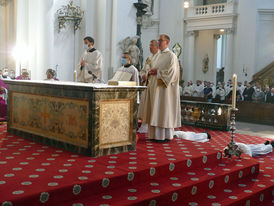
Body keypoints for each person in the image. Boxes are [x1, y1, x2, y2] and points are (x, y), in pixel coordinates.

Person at [142, 34, 181, 143]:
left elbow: (172, 73)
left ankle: (165, 136)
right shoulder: (155, 56)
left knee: (163, 111)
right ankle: (153, 135)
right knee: (154, 110)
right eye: (158, 40)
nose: (158, 42)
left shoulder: (171, 56)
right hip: (154, 88)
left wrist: (157, 72)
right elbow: (148, 69)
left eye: (161, 40)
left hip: (164, 90)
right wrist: (147, 74)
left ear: (167, 42)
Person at [138, 40, 160, 121]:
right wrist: (143, 75)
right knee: (146, 105)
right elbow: (143, 70)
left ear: (157, 46)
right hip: (147, 84)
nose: (150, 47)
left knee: (153, 104)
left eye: (152, 45)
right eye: (149, 45)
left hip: (155, 84)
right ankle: (145, 120)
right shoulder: (149, 58)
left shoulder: (160, 57)